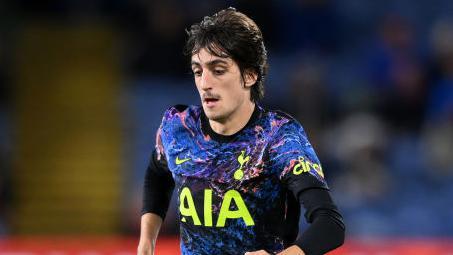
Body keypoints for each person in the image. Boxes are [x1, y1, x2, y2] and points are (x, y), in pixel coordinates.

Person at [137, 7, 345, 255]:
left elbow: (330, 224)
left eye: (218, 70)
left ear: (250, 75)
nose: (205, 83)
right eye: (198, 71)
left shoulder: (278, 139)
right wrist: (146, 242)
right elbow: (157, 172)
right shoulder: (178, 127)